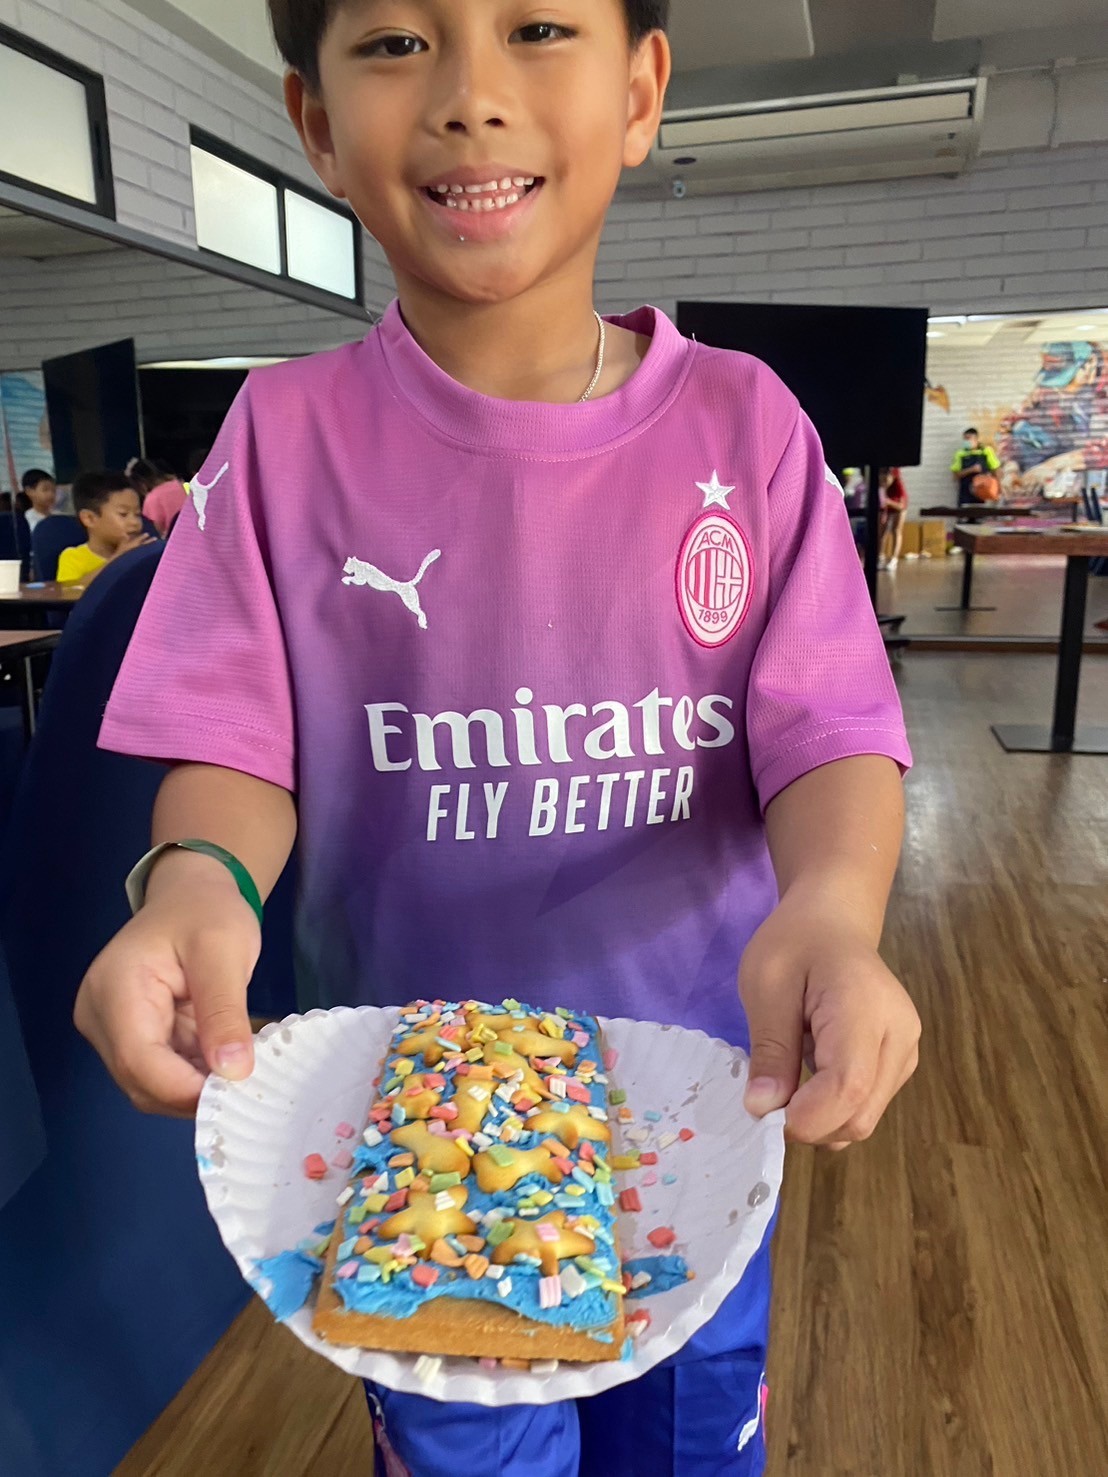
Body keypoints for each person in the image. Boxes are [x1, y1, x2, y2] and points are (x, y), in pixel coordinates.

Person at [74, 3, 921, 1472]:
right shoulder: (276, 440)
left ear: (641, 91)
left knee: (689, 1441)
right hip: (419, 1136)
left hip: (695, 1115)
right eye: (397, 43)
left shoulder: (750, 429)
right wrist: (198, 880)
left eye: (535, 26)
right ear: (317, 122)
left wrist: (838, 912)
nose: (471, 95)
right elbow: (232, 742)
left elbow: (827, 731)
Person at [55, 471, 154, 589]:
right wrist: (118, 559)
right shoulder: (73, 557)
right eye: (123, 514)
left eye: (137, 514)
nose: (135, 522)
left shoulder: (141, 554)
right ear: (89, 518)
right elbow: (69, 591)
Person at [128, 457, 189, 538]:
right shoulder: (179, 485)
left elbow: (153, 532)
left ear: (140, 483)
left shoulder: (152, 498)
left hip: (170, 541)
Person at [951, 427, 1001, 504]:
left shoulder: (986, 451)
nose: (966, 441)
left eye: (968, 438)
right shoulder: (960, 454)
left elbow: (996, 470)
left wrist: (998, 490)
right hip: (966, 494)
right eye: (965, 439)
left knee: (983, 510)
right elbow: (955, 476)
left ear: (976, 439)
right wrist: (971, 469)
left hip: (984, 492)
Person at [878, 467, 909, 571]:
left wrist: (889, 502)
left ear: (892, 477)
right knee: (882, 530)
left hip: (898, 505)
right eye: (882, 480)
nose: (884, 483)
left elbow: (901, 506)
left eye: (886, 480)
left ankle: (894, 559)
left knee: (896, 530)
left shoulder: (898, 486)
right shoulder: (880, 486)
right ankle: (880, 556)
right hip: (887, 505)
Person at [20, 468, 57, 534]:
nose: (51, 494)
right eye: (45, 489)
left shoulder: (58, 515)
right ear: (29, 491)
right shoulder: (26, 520)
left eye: (53, 490)